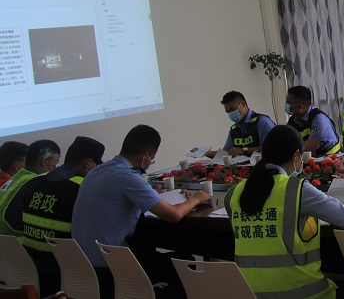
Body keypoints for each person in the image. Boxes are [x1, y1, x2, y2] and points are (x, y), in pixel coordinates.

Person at [225, 125, 344, 297]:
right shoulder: (296, 189)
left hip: (251, 293)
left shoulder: (233, 193)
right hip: (301, 292)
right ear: (296, 156)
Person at [73, 125, 211, 297]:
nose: (150, 162)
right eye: (152, 159)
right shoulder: (128, 176)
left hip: (83, 265)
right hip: (110, 268)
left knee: (147, 250)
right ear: (144, 156)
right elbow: (174, 215)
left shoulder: (97, 171)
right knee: (185, 261)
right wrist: (196, 199)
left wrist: (153, 196)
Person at [16, 136, 104, 296]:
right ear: (87, 164)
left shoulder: (35, 182)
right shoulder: (82, 187)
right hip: (63, 272)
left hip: (31, 267)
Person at [0, 139, 61, 236]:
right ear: (45, 161)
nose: (57, 167)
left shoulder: (18, 176)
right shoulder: (35, 182)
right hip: (14, 239)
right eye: (56, 162)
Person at [214, 90, 276, 157]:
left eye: (232, 110)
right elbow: (225, 152)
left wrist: (244, 150)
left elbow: (272, 147)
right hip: (242, 163)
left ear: (243, 104)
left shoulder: (262, 122)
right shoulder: (234, 129)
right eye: (228, 112)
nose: (230, 114)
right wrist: (206, 152)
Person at [286, 85, 341, 156]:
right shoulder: (293, 120)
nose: (286, 106)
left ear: (300, 106)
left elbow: (309, 149)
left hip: (332, 159)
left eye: (288, 103)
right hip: (313, 159)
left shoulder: (319, 119)